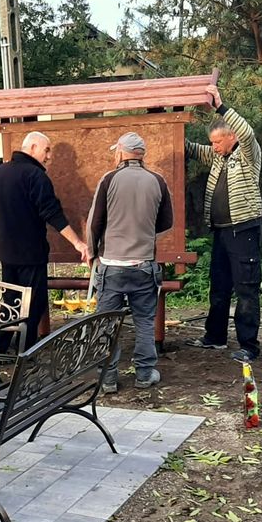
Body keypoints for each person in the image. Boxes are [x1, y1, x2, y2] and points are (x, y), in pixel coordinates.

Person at [86, 132, 174, 392]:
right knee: (145, 322)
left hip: (112, 266)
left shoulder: (109, 179)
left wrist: (92, 255)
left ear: (122, 152)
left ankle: (109, 379)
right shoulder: (157, 181)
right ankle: (145, 375)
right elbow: (166, 222)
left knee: (107, 324)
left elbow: (95, 223)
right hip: (144, 266)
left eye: (116, 151)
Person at [184, 82, 262, 362]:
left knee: (246, 287)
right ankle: (215, 337)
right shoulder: (218, 157)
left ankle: (249, 346)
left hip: (244, 230)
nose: (213, 148)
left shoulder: (247, 154)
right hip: (221, 232)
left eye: (217, 142)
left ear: (231, 137)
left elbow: (247, 131)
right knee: (218, 285)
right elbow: (192, 149)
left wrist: (220, 106)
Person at [0, 131, 88, 347]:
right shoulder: (36, 176)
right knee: (33, 303)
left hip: (6, 252)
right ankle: (25, 349)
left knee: (10, 301)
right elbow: (53, 214)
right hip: (31, 253)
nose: (49, 156)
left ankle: (1, 347)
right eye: (47, 150)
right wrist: (77, 242)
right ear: (32, 147)